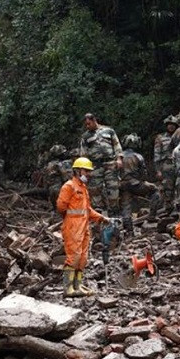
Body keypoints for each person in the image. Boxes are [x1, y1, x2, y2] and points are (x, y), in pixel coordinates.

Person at [56, 157, 110, 297]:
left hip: (84, 226)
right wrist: (71, 219)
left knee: (82, 258)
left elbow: (88, 209)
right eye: (86, 171)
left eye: (89, 171)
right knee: (73, 256)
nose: (89, 174)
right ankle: (68, 288)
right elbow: (61, 206)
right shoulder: (69, 186)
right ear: (78, 171)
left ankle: (77, 286)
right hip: (73, 225)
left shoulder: (83, 188)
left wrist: (101, 218)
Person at [79, 113, 122, 215]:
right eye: (86, 125)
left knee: (113, 188)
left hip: (110, 163)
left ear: (94, 120)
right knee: (95, 190)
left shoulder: (109, 131)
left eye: (89, 123)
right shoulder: (85, 136)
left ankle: (114, 213)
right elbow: (83, 154)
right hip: (95, 166)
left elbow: (116, 145)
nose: (87, 126)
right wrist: (83, 170)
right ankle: (98, 213)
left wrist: (119, 158)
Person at [119, 133, 161, 230]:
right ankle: (152, 216)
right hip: (136, 184)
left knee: (126, 206)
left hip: (123, 185)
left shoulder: (119, 157)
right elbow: (144, 174)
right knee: (155, 190)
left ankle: (128, 230)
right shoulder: (138, 157)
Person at [154, 115, 179, 213]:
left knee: (179, 186)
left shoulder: (179, 137)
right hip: (166, 165)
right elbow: (157, 155)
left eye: (173, 125)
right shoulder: (160, 138)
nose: (171, 127)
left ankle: (177, 208)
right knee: (167, 188)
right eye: (169, 125)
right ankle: (168, 208)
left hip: (178, 164)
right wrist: (158, 170)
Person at [43, 144, 72, 210]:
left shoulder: (48, 165)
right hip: (59, 191)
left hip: (50, 192)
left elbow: (45, 180)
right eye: (63, 153)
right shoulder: (60, 164)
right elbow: (66, 178)